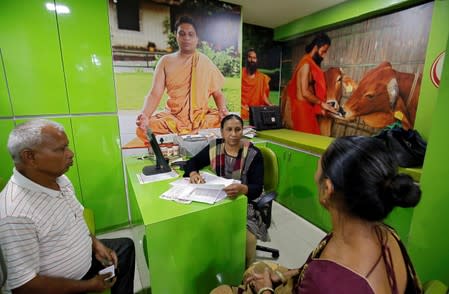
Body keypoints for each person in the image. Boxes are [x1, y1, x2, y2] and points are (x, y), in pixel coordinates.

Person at [212, 136, 422, 294]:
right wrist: (287, 275)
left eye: (318, 169)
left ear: (327, 189)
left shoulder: (327, 281)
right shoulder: (387, 234)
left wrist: (266, 288)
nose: (315, 176)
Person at [0, 119, 135, 294]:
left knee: (124, 248)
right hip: (62, 283)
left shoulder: (58, 178)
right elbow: (24, 286)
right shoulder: (14, 214)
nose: (70, 154)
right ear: (30, 156)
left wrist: (95, 244)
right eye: (61, 149)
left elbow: (77, 217)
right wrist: (90, 285)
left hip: (86, 258)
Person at [183, 114, 266, 267]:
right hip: (219, 199)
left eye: (238, 129)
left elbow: (257, 188)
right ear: (222, 132)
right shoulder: (215, 147)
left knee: (246, 239)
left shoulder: (254, 154)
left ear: (243, 131)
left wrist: (243, 188)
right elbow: (192, 162)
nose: (233, 134)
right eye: (229, 130)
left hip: (244, 203)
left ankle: (246, 272)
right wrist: (193, 173)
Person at [136, 15, 229, 136]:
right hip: (174, 119)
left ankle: (187, 135)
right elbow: (155, 94)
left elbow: (218, 94)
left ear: (197, 38)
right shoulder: (165, 61)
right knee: (144, 129)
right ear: (176, 35)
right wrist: (145, 115)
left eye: (191, 34)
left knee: (226, 122)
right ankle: (194, 134)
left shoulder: (205, 61)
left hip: (200, 119)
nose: (186, 38)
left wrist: (223, 111)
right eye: (182, 34)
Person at [281, 32, 337, 134]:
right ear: (316, 47)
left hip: (306, 109)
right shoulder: (306, 64)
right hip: (302, 110)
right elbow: (305, 92)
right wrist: (321, 103)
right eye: (323, 51)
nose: (324, 56)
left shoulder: (310, 63)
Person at [241, 49, 272, 120]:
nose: (252, 60)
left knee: (263, 112)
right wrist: (242, 106)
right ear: (246, 59)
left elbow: (263, 95)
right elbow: (235, 93)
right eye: (250, 57)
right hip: (243, 107)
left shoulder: (261, 77)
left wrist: (270, 104)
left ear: (257, 60)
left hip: (255, 107)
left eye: (254, 58)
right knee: (243, 113)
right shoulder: (240, 74)